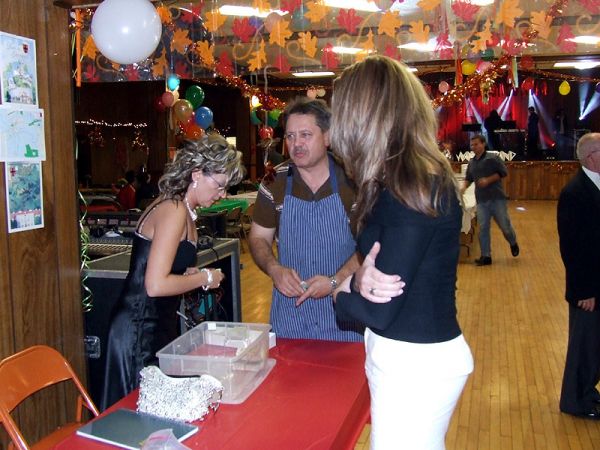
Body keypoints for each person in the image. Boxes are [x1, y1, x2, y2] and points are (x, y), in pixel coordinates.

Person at [330, 55, 473, 450]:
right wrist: (358, 280)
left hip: (415, 366)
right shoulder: (403, 182)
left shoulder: (411, 189)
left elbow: (380, 310)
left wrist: (340, 292)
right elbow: (381, 274)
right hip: (412, 359)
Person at [101, 134, 245, 410]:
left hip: (156, 326)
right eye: (220, 186)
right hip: (139, 328)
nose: (222, 195)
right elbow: (155, 285)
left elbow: (167, 268)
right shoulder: (174, 209)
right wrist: (204, 277)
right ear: (197, 174)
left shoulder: (184, 209)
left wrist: (188, 274)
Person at [248, 97, 400, 342]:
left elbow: (372, 246)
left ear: (328, 137)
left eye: (306, 135)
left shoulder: (354, 182)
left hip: (346, 318)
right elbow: (258, 238)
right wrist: (274, 269)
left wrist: (334, 281)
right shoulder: (274, 182)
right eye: (290, 136)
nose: (296, 144)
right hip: (290, 320)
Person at [557, 132, 600, 420]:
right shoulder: (575, 192)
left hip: (596, 283)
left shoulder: (594, 185)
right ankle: (575, 401)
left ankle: (587, 392)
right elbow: (571, 247)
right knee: (584, 348)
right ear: (591, 157)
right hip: (587, 289)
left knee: (595, 347)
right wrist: (584, 290)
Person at [463, 135, 519, 266]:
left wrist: (488, 180)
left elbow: (503, 172)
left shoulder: (493, 158)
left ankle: (513, 242)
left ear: (483, 144)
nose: (474, 147)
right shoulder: (471, 163)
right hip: (481, 200)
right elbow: (469, 178)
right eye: (472, 145)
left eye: (476, 144)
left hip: (497, 198)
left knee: (505, 226)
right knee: (483, 228)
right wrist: (463, 188)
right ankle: (486, 256)